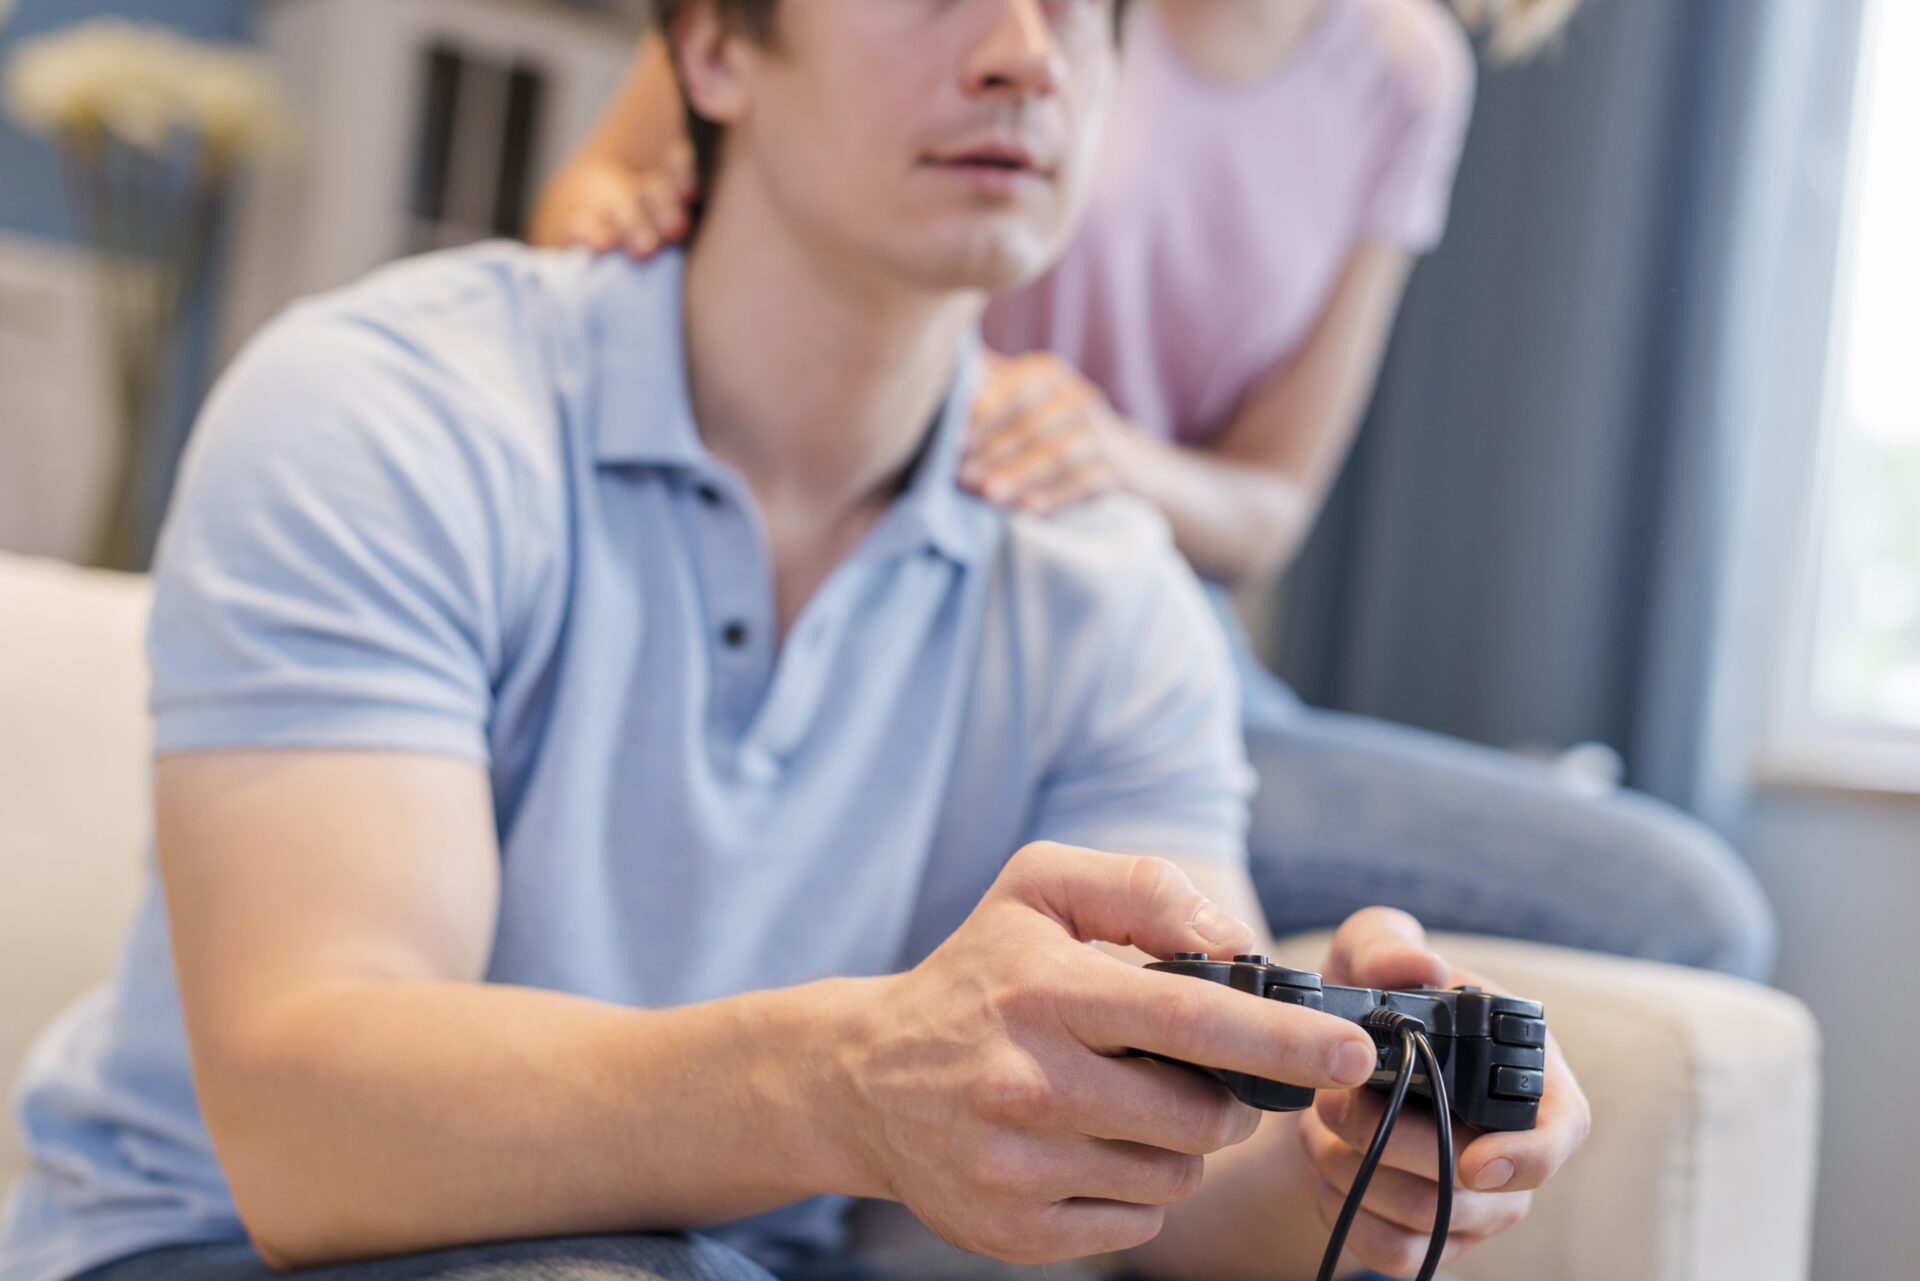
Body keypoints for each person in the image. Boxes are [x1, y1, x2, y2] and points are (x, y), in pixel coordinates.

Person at [1, 2, 1588, 1280]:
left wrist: (1335, 1168)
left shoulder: (1112, 593)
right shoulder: (390, 413)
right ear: (708, 47)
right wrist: (848, 1081)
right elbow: (308, 1130)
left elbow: (1158, 1207)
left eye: (1081, 11)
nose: (1022, 51)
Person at [531, 0, 1776, 982]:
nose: (1024, 53)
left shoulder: (1406, 71)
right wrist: (644, 241)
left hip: (1147, 652)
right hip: (899, 584)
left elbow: (1270, 508)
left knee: (1689, 911)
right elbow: (595, 201)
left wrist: (1113, 453)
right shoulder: (1012, 27)